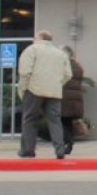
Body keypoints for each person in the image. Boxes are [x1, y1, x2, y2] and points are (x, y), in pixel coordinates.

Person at [16, 30, 72, 159]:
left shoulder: (32, 50)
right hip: (54, 91)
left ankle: (27, 150)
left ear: (39, 38)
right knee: (55, 120)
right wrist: (57, 83)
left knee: (30, 119)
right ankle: (60, 150)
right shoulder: (60, 53)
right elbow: (68, 74)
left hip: (34, 89)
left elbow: (25, 72)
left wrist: (23, 89)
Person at [60, 46, 85, 155]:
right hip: (75, 99)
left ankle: (67, 142)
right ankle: (69, 143)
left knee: (62, 122)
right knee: (68, 122)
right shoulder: (78, 66)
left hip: (65, 98)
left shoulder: (64, 65)